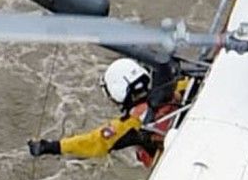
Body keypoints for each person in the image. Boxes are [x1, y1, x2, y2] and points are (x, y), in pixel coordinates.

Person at [27, 58, 188, 168]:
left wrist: (50, 147)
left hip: (173, 161)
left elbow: (91, 143)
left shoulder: (128, 126)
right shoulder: (179, 86)